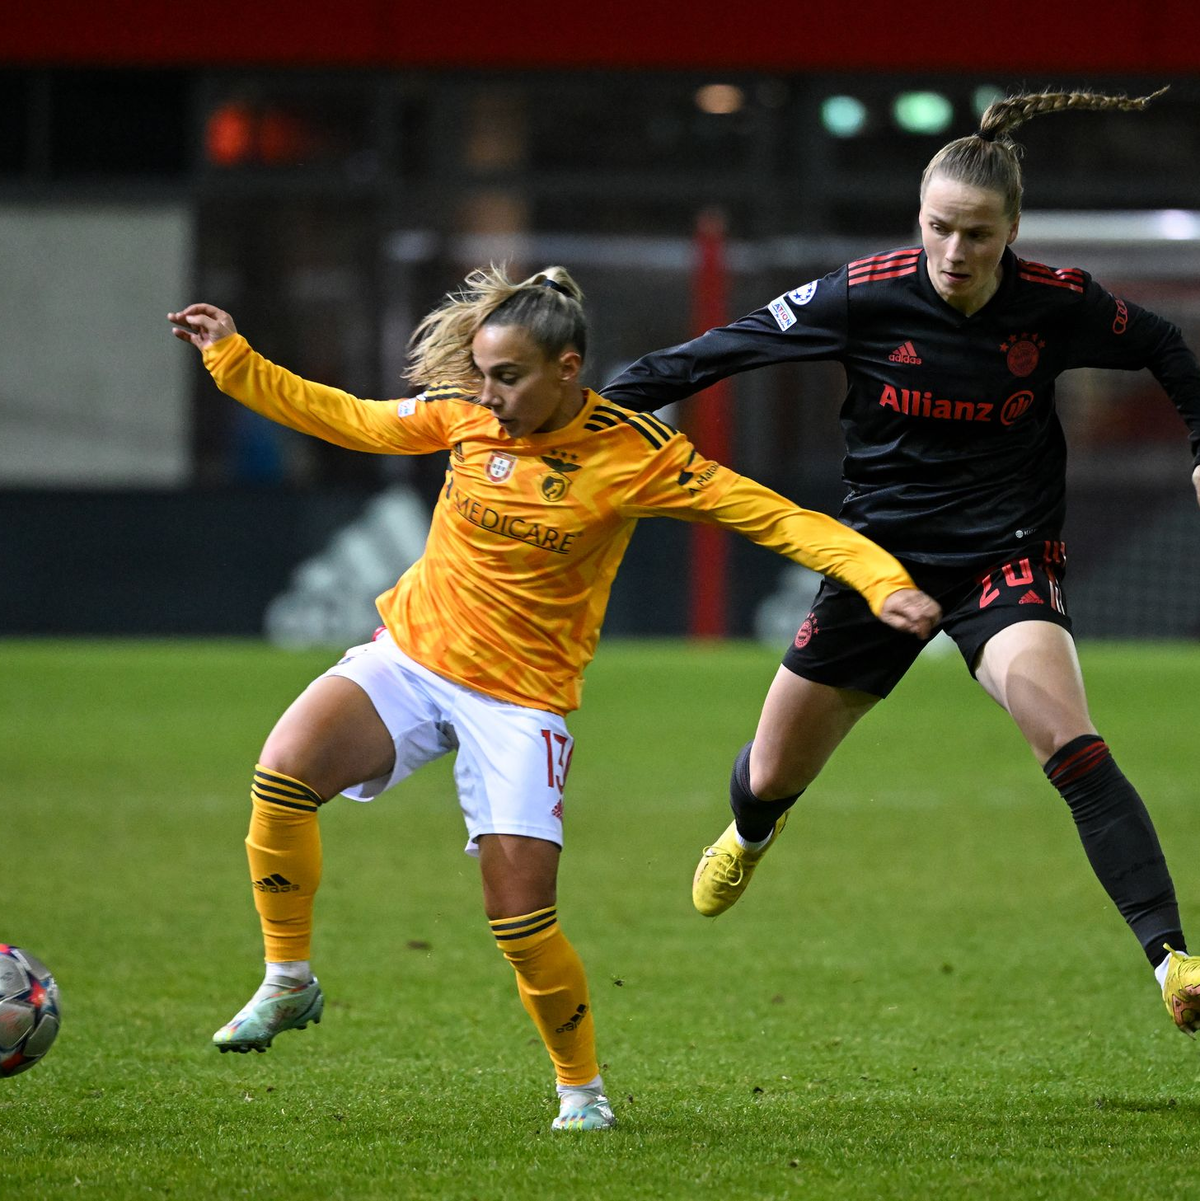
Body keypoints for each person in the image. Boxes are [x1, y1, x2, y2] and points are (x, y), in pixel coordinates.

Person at [167, 266, 941, 1131]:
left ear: (567, 369)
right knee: (281, 775)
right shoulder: (462, 419)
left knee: (521, 918)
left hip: (520, 703)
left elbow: (771, 514)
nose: (488, 395)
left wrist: (880, 580)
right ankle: (288, 980)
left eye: (509, 377)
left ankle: (582, 1093)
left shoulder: (633, 454)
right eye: (483, 374)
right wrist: (232, 359)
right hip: (413, 658)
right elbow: (346, 417)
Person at [602, 88, 1200, 1035]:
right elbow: (719, 351)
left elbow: (1168, 347)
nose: (955, 254)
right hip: (876, 565)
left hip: (1006, 557)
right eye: (939, 230)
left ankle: (1173, 959)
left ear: (1012, 230)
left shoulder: (1059, 306)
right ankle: (754, 831)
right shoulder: (862, 294)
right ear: (916, 220)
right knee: (767, 773)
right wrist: (603, 412)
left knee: (1070, 742)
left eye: (976, 234)